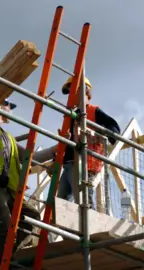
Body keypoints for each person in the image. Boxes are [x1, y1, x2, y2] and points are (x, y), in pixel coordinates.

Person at [0, 78, 51, 269]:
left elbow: (32, 157)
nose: (10, 109)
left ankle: (1, 258)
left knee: (32, 219)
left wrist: (56, 149)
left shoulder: (9, 139)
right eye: (7, 104)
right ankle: (0, 264)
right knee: (3, 231)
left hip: (9, 190)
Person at [55, 76, 121, 209]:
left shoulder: (93, 111)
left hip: (86, 164)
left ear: (83, 91)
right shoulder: (71, 116)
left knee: (85, 202)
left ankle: (88, 227)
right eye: (69, 93)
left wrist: (99, 135)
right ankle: (65, 229)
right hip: (69, 164)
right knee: (61, 205)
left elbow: (114, 128)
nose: (70, 96)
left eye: (72, 91)